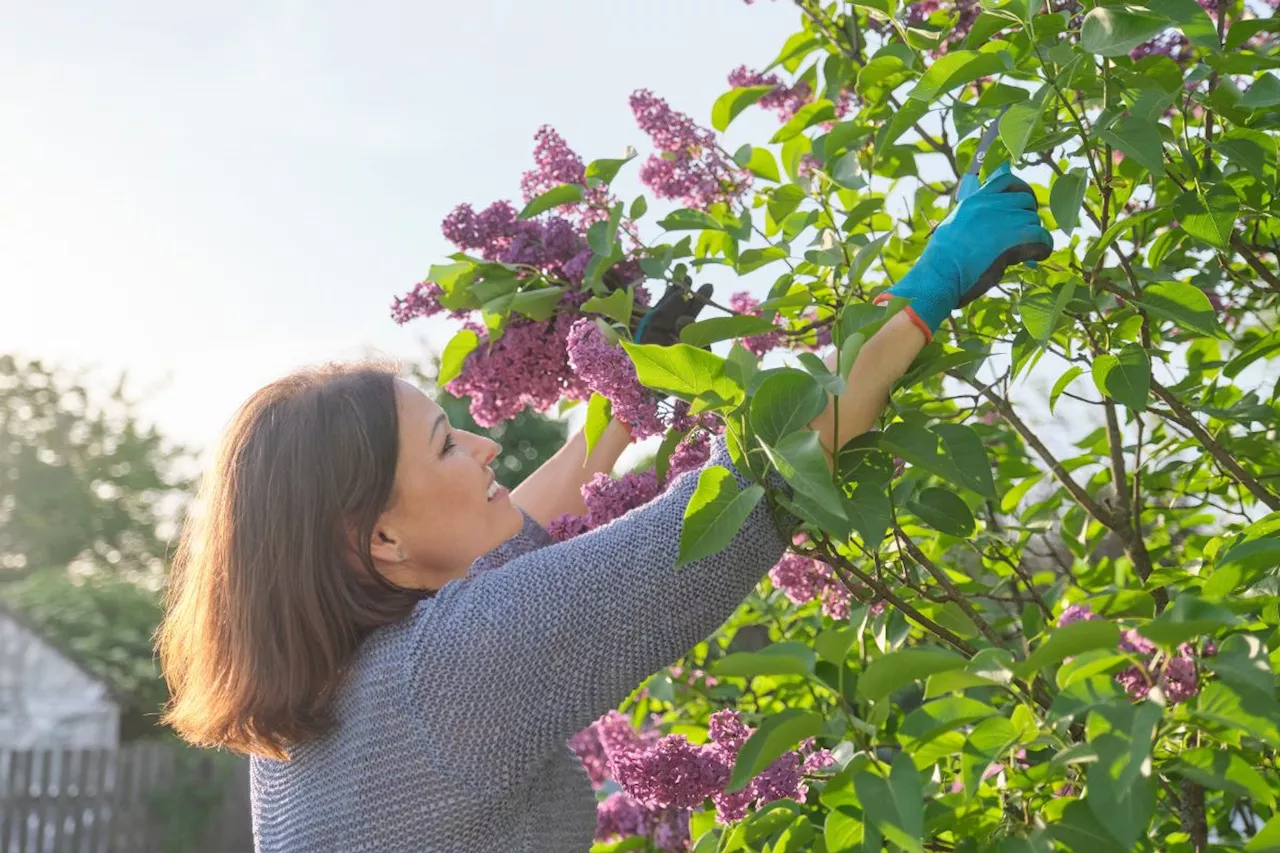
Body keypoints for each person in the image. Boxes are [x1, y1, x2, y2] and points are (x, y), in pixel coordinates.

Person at [156, 166, 1050, 852]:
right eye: (445, 444)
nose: (486, 447)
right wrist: (932, 286)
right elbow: (755, 482)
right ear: (379, 537)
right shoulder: (447, 677)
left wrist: (620, 407)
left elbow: (513, 546)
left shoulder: (302, 718)